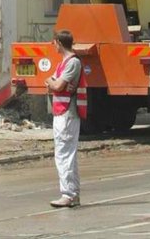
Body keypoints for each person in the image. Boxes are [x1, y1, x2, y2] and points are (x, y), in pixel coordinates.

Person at [46, 28, 83, 209]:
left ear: (59, 43)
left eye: (54, 43)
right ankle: (73, 193)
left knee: (63, 154)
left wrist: (53, 84)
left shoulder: (72, 63)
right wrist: (53, 84)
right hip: (61, 112)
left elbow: (57, 84)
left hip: (67, 113)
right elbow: (52, 83)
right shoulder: (63, 63)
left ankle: (68, 194)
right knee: (67, 154)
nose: (53, 46)